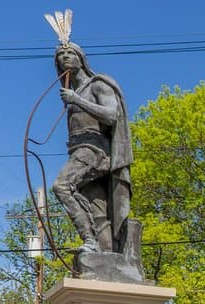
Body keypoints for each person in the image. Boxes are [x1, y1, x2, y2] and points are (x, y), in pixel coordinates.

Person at [52, 41, 133, 255]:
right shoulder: (74, 92)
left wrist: (77, 99)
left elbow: (112, 115)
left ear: (81, 58)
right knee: (98, 209)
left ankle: (89, 239)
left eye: (70, 53)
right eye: (61, 54)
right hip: (79, 151)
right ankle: (106, 253)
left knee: (61, 186)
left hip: (94, 151)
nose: (65, 57)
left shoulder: (97, 85)